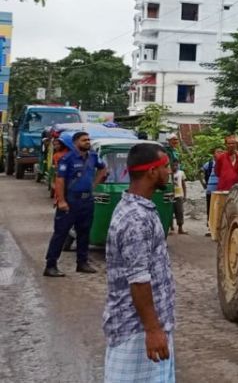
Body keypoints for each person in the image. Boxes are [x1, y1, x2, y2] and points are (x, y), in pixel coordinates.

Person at [103, 142, 176, 382]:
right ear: (152, 171)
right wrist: (153, 330)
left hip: (148, 326)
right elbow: (139, 280)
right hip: (135, 330)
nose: (170, 171)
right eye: (166, 166)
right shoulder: (135, 218)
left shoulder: (141, 209)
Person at [45, 131, 108, 277]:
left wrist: (94, 185)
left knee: (84, 233)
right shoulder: (67, 158)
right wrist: (61, 201)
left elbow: (103, 168)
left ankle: (82, 263)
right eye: (84, 140)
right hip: (70, 199)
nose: (87, 142)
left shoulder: (92, 156)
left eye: (88, 139)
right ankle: (51, 265)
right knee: (61, 233)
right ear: (75, 143)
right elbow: (59, 180)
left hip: (87, 200)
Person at [170, 159, 187, 235]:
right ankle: (170, 227)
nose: (175, 167)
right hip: (170, 195)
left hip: (178, 195)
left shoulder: (181, 173)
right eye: (173, 165)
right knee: (169, 212)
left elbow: (183, 184)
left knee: (179, 212)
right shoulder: (169, 173)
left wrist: (185, 195)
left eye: (176, 165)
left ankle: (180, 228)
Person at [201, 157, 217, 237]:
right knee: (210, 209)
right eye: (218, 152)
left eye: (221, 151)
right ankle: (210, 228)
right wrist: (203, 182)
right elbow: (201, 171)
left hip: (220, 189)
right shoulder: (209, 164)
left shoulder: (225, 162)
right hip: (210, 189)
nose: (219, 153)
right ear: (214, 153)